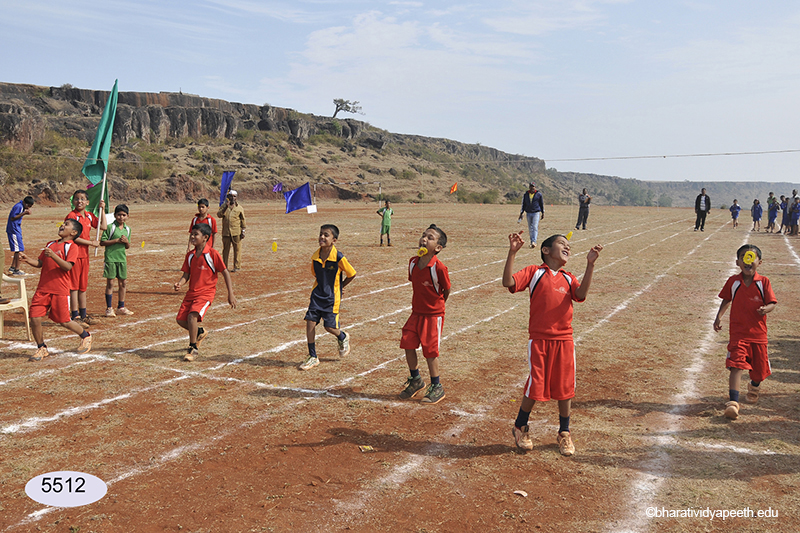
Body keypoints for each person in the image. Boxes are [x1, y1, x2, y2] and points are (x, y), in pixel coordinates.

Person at [503, 232, 603, 456]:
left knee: (565, 387)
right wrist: (512, 253)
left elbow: (581, 294)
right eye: (561, 243)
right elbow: (508, 282)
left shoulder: (568, 277)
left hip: (564, 340)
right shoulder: (534, 272)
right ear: (546, 250)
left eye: (569, 245)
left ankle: (564, 432)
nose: (567, 247)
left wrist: (590, 265)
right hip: (539, 340)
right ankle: (520, 426)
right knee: (536, 384)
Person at [713, 245, 777, 420]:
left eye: (751, 257)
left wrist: (766, 309)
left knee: (759, 370)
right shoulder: (733, 282)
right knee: (736, 365)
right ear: (737, 262)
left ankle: (754, 386)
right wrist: (719, 316)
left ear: (759, 262)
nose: (747, 260)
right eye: (743, 257)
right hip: (738, 333)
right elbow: (727, 299)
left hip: (758, 334)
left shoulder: (763, 282)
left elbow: (772, 302)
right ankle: (733, 403)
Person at [18, 219, 93, 361]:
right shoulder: (50, 244)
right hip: (43, 289)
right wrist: (28, 260)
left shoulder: (72, 247)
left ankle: (86, 336)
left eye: (67, 224)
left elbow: (68, 266)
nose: (62, 225)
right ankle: (41, 347)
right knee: (34, 318)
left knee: (64, 321)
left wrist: (53, 256)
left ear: (73, 232)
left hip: (60, 289)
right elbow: (40, 263)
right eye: (63, 223)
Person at [398, 224, 451, 405]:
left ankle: (437, 386)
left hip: (433, 315)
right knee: (407, 342)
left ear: (438, 248)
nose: (424, 239)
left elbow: (446, 289)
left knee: (430, 351)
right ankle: (416, 380)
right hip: (416, 312)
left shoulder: (439, 268)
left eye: (430, 237)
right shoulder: (413, 262)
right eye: (423, 235)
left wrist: (437, 307)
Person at [174, 223, 237, 362]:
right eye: (192, 234)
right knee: (180, 320)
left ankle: (192, 348)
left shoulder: (212, 254)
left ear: (205, 237)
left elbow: (225, 272)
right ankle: (200, 332)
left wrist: (230, 293)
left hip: (206, 293)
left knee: (192, 316)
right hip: (191, 293)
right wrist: (180, 283)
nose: (192, 237)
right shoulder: (190, 255)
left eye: (196, 234)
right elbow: (186, 274)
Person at [299, 224, 356, 370]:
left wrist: (340, 286)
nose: (322, 237)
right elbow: (315, 274)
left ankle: (342, 336)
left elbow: (352, 273)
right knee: (310, 322)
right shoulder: (315, 257)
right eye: (320, 234)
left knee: (329, 326)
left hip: (331, 297)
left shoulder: (338, 257)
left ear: (334, 240)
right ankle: (313, 356)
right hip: (317, 295)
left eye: (326, 235)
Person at [65, 190, 106, 327]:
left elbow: (103, 226)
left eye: (82, 199)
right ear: (73, 201)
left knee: (82, 287)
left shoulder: (89, 216)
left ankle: (83, 315)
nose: (79, 201)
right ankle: (75, 315)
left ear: (87, 202)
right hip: (74, 256)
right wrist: (91, 243)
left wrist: (102, 210)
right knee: (74, 287)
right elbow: (72, 236)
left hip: (85, 256)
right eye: (77, 199)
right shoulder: (72, 216)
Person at [100, 204, 134, 317]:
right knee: (110, 283)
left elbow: (127, 246)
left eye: (124, 215)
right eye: (119, 215)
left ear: (127, 216)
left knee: (123, 283)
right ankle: (109, 308)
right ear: (115, 215)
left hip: (122, 259)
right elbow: (102, 242)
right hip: (111, 258)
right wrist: (116, 240)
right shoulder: (110, 227)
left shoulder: (127, 229)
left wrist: (126, 242)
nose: (121, 217)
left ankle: (121, 307)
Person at [217, 190, 246, 272]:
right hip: (226, 232)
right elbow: (219, 215)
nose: (232, 198)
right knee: (225, 250)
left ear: (236, 198)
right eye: (231, 196)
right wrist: (225, 207)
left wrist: (243, 231)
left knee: (237, 250)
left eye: (234, 196)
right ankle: (224, 267)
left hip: (236, 232)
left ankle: (237, 266)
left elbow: (243, 220)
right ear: (228, 197)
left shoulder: (239, 208)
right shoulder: (224, 206)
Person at [7, 195, 35, 276]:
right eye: (28, 206)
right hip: (13, 230)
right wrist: (24, 213)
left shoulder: (21, 206)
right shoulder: (19, 207)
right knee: (19, 250)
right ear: (25, 203)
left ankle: (13, 267)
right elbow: (13, 218)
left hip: (16, 229)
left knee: (18, 249)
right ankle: (16, 269)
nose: (29, 208)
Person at [518, 182, 544, 248]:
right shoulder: (526, 194)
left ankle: (534, 241)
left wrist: (542, 212)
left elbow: (541, 204)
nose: (532, 188)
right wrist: (521, 213)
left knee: (534, 227)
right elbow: (524, 204)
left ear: (535, 187)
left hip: (536, 212)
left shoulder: (538, 194)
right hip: (528, 213)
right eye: (531, 186)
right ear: (529, 187)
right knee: (530, 228)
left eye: (533, 186)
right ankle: (531, 241)